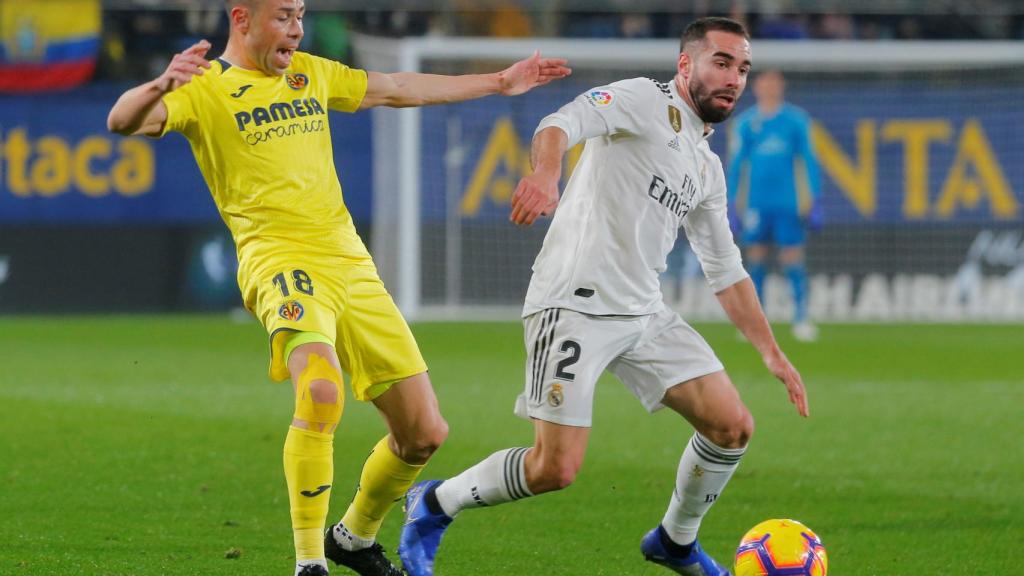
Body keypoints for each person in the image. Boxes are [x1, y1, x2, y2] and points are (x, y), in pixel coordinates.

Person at [106, 1, 570, 575]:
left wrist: (500, 81)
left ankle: (351, 538)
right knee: (321, 391)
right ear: (242, 18)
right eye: (283, 16)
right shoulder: (204, 89)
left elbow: (399, 86)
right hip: (278, 262)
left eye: (300, 14)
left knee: (424, 433)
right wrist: (159, 83)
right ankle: (308, 565)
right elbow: (124, 122)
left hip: (350, 263)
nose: (297, 28)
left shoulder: (310, 72)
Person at [398, 16, 808, 576]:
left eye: (742, 68)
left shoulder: (707, 166)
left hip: (644, 311)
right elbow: (558, 123)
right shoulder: (642, 100)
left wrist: (771, 353)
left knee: (732, 426)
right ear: (685, 64)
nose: (734, 78)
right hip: (573, 304)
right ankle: (434, 503)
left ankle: (674, 541)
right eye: (721, 62)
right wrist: (546, 175)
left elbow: (725, 267)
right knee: (554, 469)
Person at [726, 69, 821, 342]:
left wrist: (814, 199)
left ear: (781, 86)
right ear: (756, 87)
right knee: (755, 258)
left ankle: (801, 317)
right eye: (765, 83)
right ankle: (757, 322)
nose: (769, 88)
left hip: (787, 201)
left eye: (774, 83)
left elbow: (808, 161)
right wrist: (732, 203)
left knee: (792, 256)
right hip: (756, 202)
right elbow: (737, 166)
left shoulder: (795, 120)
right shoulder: (745, 123)